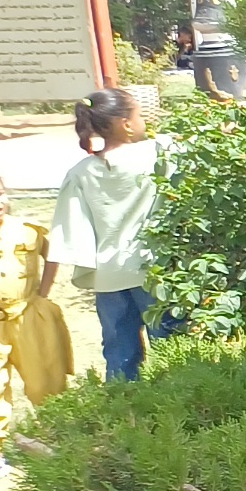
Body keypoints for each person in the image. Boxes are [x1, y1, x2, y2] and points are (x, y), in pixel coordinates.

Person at [49, 89, 167, 382]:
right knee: (170, 348)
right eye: (139, 116)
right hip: (154, 272)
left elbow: (71, 229)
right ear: (126, 124)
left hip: (108, 278)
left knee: (119, 353)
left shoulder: (81, 172)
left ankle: (122, 415)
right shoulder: (158, 152)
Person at [0, 170, 66, 475]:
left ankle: (59, 439)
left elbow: (54, 254)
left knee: (45, 378)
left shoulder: (28, 231)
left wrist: (43, 293)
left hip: (29, 317)